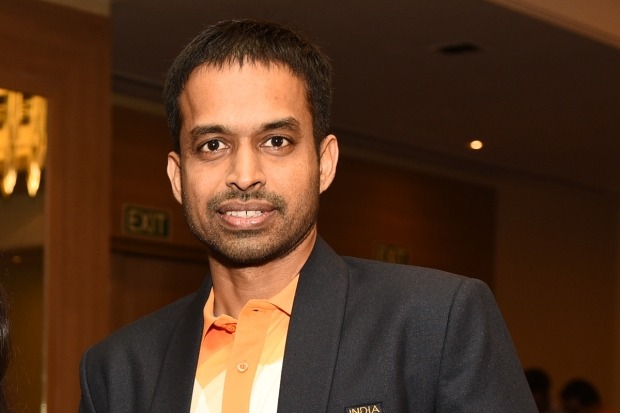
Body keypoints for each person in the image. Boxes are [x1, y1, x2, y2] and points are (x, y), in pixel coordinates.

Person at [78, 19, 537, 412]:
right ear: (178, 177)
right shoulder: (117, 372)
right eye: (213, 145)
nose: (244, 175)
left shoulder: (434, 324)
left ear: (325, 163)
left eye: (276, 141)